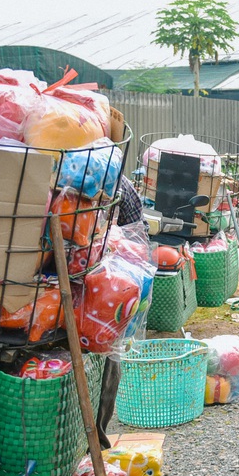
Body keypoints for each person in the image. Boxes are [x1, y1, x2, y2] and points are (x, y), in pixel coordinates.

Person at [96, 174, 144, 449]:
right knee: (108, 355)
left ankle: (97, 435)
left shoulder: (117, 181)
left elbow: (134, 233)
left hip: (104, 281)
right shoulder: (115, 177)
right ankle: (98, 436)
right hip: (106, 286)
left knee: (108, 355)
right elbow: (137, 233)